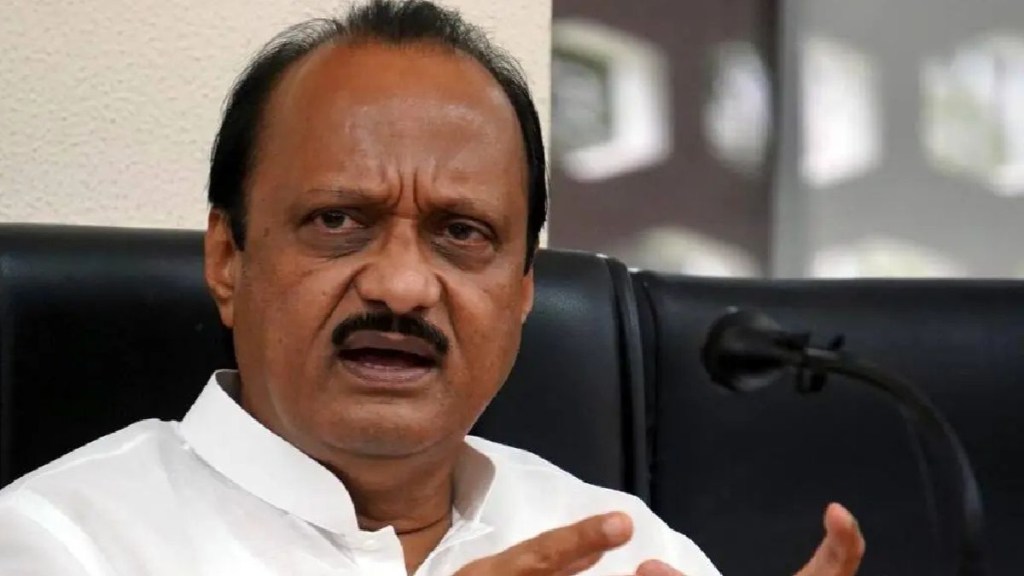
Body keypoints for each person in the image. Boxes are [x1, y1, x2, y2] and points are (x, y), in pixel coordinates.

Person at [0, 1, 865, 574]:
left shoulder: (624, 548)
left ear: (522, 289)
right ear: (228, 258)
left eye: (462, 233)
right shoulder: (62, 542)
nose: (403, 286)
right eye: (339, 220)